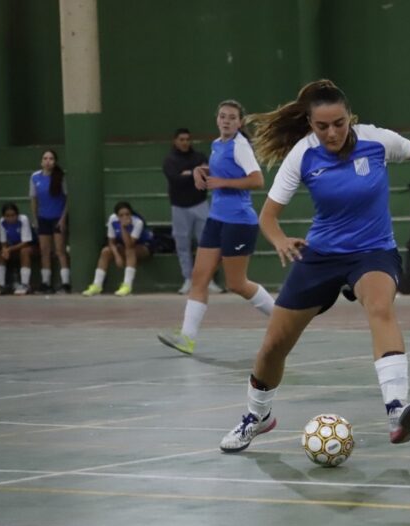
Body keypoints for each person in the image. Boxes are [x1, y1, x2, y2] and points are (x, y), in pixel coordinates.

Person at [217, 79, 410, 453]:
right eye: (322, 126)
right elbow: (268, 216)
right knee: (274, 345)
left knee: (380, 307)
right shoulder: (303, 155)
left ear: (349, 118)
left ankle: (396, 409)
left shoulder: (375, 140)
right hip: (320, 255)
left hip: (373, 251)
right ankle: (257, 416)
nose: (332, 132)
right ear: (310, 124)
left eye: (339, 123)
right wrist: (281, 240)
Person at [157, 100, 277, 354]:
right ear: (217, 119)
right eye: (222, 116)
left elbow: (257, 180)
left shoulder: (240, 146)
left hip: (239, 222)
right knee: (199, 278)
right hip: (216, 219)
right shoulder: (216, 144)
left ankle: (282, 318)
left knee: (237, 283)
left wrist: (221, 181)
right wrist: (202, 170)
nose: (226, 121)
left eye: (232, 117)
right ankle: (187, 339)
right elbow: (223, 171)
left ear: (240, 122)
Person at [162, 127, 221, 294]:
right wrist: (193, 173)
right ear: (175, 141)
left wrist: (188, 173)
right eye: (181, 139)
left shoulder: (200, 156)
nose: (185, 142)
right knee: (182, 244)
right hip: (179, 207)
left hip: (200, 204)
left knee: (207, 244)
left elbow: (206, 175)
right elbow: (175, 179)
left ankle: (208, 280)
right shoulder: (169, 160)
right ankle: (188, 279)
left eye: (187, 139)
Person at [82, 201, 154, 297]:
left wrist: (123, 227)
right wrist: (117, 256)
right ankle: (97, 285)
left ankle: (127, 286)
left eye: (127, 214)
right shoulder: (112, 219)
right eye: (121, 215)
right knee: (105, 251)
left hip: (144, 247)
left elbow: (129, 245)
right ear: (117, 216)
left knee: (130, 250)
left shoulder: (138, 222)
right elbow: (111, 242)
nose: (124, 217)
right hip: (124, 246)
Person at [29, 149, 71, 293]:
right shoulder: (35, 177)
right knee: (44, 251)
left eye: (51, 158)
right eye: (45, 158)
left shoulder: (61, 177)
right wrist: (35, 218)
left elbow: (68, 199)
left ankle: (65, 282)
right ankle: (45, 282)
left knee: (60, 250)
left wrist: (63, 219)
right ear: (41, 161)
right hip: (43, 218)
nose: (48, 161)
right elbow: (34, 199)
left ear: (55, 161)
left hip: (57, 218)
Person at [0, 203, 34, 295]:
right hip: (12, 248)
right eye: (7, 216)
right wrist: (4, 250)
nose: (10, 218)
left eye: (13, 215)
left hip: (29, 246)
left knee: (24, 251)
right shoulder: (2, 221)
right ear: (3, 216)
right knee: (0, 253)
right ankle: (1, 285)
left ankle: (25, 284)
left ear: (17, 214)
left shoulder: (23, 219)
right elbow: (3, 241)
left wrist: (9, 249)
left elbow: (26, 242)